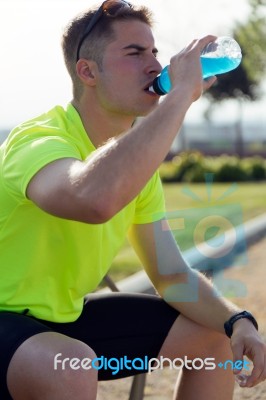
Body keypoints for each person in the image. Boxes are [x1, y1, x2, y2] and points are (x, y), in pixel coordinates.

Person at [0, 1, 265, 399]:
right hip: (7, 319)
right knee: (69, 367)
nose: (156, 66)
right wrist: (181, 97)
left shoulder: (136, 167)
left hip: (65, 319)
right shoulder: (39, 141)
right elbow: (91, 199)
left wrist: (238, 320)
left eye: (155, 52)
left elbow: (172, 276)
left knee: (213, 339)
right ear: (87, 71)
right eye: (135, 53)